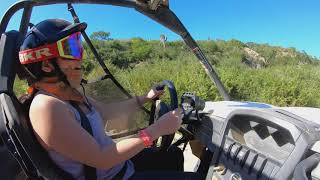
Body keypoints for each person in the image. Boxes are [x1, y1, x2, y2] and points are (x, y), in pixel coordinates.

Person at [17, 19, 202, 180]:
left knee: (174, 155)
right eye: (71, 49)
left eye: (78, 46)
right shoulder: (47, 107)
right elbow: (103, 159)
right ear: (47, 64)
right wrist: (156, 130)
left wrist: (146, 97)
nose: (80, 58)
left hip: (119, 167)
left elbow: (108, 112)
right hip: (112, 173)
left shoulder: (68, 94)